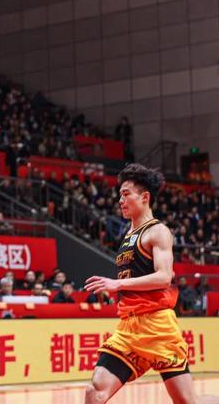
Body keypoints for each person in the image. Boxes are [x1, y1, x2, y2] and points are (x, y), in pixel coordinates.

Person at [84, 164, 194, 403]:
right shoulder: (128, 234)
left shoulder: (158, 231)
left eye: (126, 194)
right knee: (95, 391)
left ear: (145, 197)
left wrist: (118, 285)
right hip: (129, 328)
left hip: (158, 326)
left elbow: (164, 277)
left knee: (186, 401)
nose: (120, 200)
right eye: (119, 195)